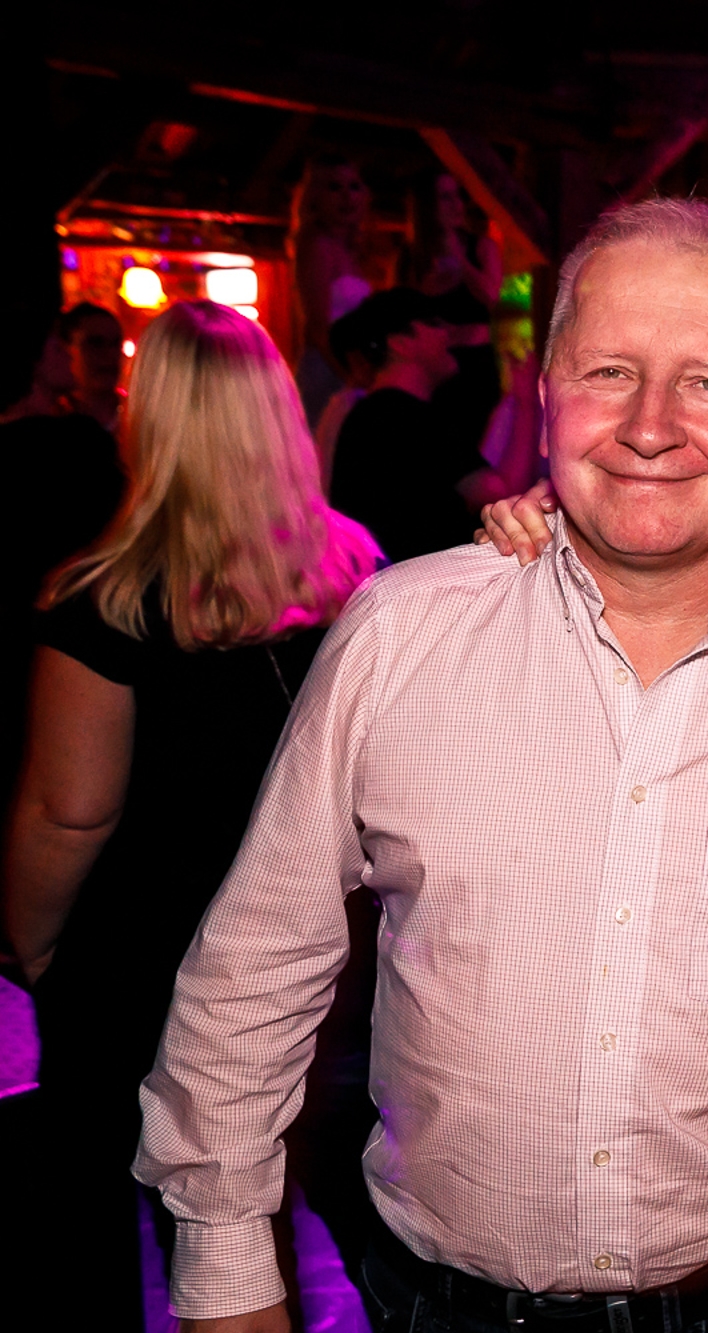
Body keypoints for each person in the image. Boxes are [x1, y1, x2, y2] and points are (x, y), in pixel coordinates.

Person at [133, 198, 708, 1333]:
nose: (651, 426)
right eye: (611, 371)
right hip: (441, 1310)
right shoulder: (401, 636)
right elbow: (254, 971)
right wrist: (226, 1270)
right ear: (549, 396)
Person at [2, 301, 380, 1331]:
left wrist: (33, 942)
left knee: (95, 1213)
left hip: (143, 956)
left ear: (151, 420)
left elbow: (68, 814)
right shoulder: (354, 574)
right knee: (250, 1214)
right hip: (307, 948)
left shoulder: (106, 600)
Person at [0, 314, 123, 792]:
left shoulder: (70, 441)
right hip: (66, 643)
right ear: (31, 362)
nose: (66, 353)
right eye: (57, 344)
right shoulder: (73, 446)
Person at [327, 287, 535, 561]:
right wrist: (526, 400)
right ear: (400, 343)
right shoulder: (403, 414)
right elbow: (505, 500)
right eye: (434, 323)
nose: (447, 332)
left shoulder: (372, 414)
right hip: (426, 582)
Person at [404, 170, 506, 465]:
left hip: (476, 369)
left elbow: (491, 295)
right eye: (445, 197)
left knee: (476, 452)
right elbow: (403, 311)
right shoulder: (412, 257)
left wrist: (460, 260)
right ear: (427, 206)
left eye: (458, 196)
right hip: (433, 372)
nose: (456, 205)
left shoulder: (481, 247)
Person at [289, 154, 377, 430]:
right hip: (328, 369)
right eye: (335, 187)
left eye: (354, 186)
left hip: (349, 366)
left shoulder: (350, 248)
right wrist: (350, 375)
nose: (347, 197)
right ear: (316, 196)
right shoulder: (316, 244)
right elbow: (317, 327)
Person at [59, 301, 126, 430]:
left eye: (115, 344)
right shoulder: (48, 419)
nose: (110, 354)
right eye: (95, 344)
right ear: (66, 350)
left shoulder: (139, 417)